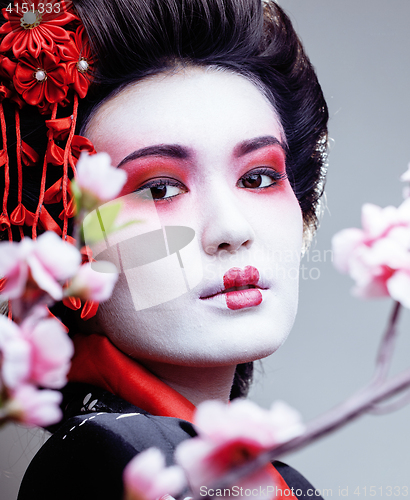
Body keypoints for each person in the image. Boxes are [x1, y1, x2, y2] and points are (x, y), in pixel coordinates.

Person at [0, 0, 328, 498]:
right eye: (159, 189)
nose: (231, 229)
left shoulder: (267, 479)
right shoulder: (114, 459)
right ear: (65, 238)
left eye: (258, 177)